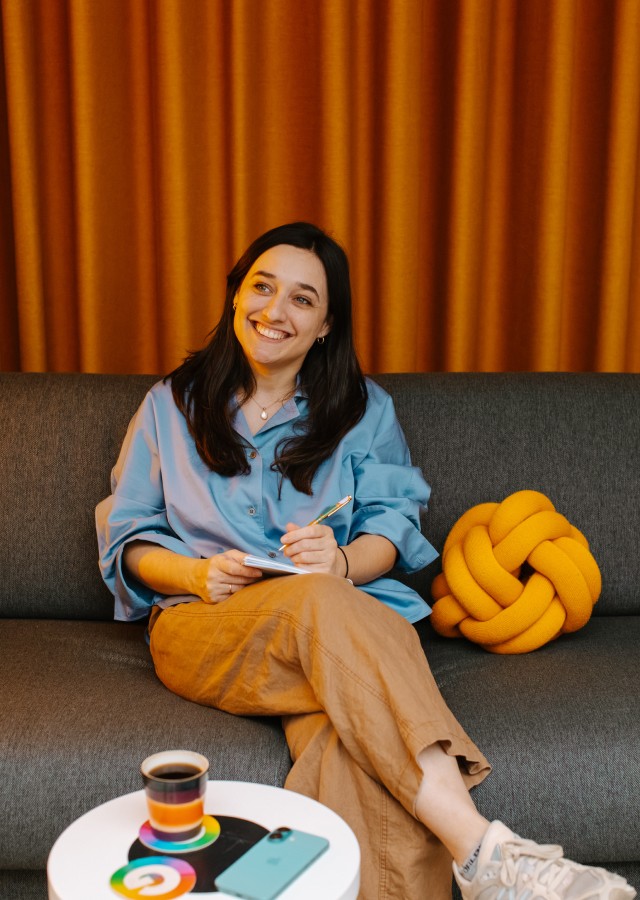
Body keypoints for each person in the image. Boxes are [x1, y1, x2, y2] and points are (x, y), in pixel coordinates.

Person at [96, 222, 635, 900]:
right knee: (318, 606)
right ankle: (484, 851)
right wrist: (197, 573)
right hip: (208, 624)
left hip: (346, 628)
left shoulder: (364, 411)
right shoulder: (169, 406)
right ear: (236, 298)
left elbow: (392, 528)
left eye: (302, 299)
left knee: (350, 748)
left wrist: (342, 564)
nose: (274, 310)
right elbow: (131, 541)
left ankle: (478, 866)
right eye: (261, 288)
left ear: (325, 325)